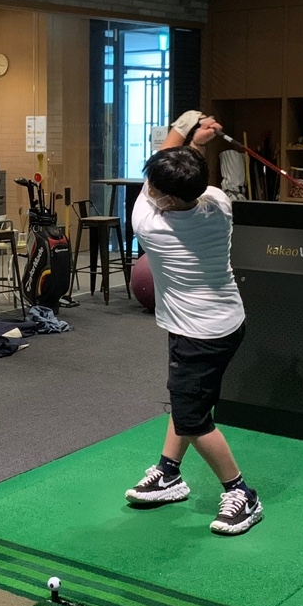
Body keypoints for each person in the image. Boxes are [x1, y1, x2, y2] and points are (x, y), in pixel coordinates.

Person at [124, 111, 262, 537]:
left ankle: (241, 493)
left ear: (166, 200)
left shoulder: (149, 224)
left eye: (155, 188)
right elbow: (181, 172)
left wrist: (184, 128)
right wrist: (198, 145)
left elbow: (162, 162)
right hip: (226, 322)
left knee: (192, 419)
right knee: (187, 399)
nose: (150, 189)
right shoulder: (218, 203)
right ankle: (168, 471)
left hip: (198, 335)